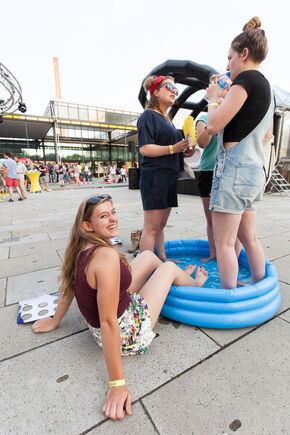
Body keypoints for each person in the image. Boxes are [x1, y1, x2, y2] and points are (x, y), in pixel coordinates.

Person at [32, 194, 208, 420]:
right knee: (169, 269)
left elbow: (69, 285)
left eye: (113, 212)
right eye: (104, 216)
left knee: (146, 255)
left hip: (112, 310)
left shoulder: (82, 245)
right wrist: (117, 384)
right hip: (127, 331)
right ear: (88, 226)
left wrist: (55, 320)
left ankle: (174, 278)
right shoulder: (105, 257)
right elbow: (108, 322)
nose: (113, 219)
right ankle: (195, 282)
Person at [206, 17, 274, 289]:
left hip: (234, 169)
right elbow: (268, 134)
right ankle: (259, 287)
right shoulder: (268, 88)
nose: (226, 65)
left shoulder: (245, 79)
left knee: (224, 243)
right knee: (250, 239)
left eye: (230, 57)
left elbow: (212, 125)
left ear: (244, 54)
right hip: (254, 171)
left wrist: (213, 98)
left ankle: (229, 300)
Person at [137, 75, 194, 260]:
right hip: (155, 177)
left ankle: (162, 260)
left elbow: (174, 151)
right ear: (155, 91)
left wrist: (184, 150)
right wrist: (173, 148)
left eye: (176, 89)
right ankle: (143, 270)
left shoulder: (167, 121)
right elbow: (145, 149)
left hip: (168, 178)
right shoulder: (148, 116)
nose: (174, 91)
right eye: (169, 86)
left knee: (159, 227)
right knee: (151, 228)